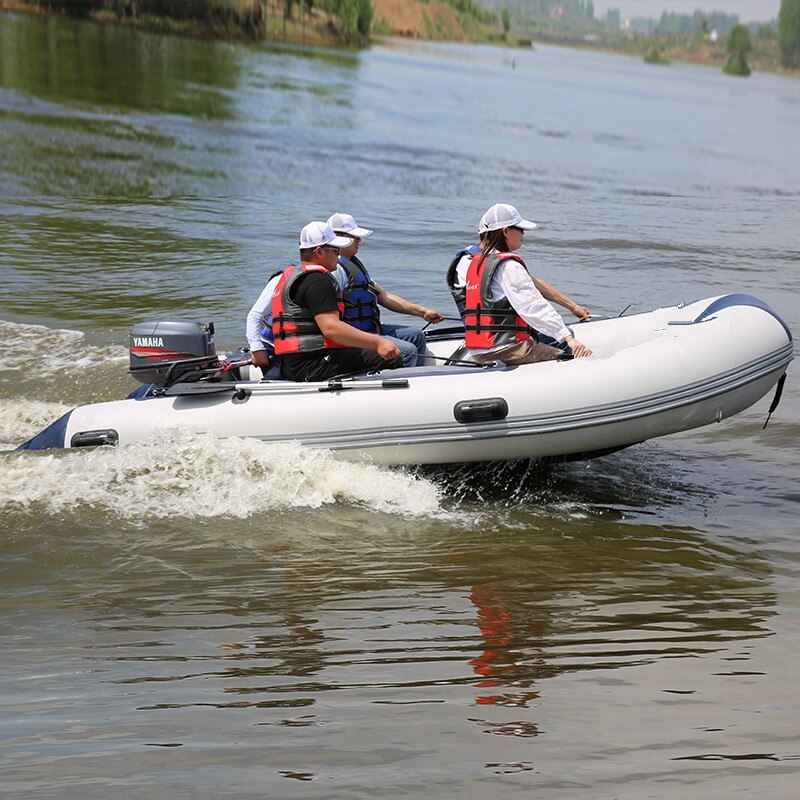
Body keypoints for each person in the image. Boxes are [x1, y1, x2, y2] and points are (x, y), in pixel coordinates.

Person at [446, 203, 592, 363]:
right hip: (507, 348)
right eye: (520, 229)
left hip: (477, 347)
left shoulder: (464, 263)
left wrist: (572, 307)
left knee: (550, 335)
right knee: (566, 349)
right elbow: (532, 306)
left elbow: (529, 284)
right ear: (506, 231)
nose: (524, 234)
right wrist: (567, 337)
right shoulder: (507, 266)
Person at [270, 221, 404, 382]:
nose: (339, 254)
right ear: (319, 251)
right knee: (389, 357)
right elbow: (331, 329)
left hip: (296, 363)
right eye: (335, 250)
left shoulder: (295, 276)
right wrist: (378, 342)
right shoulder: (318, 281)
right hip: (312, 365)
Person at [327, 213, 445, 367]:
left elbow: (384, 296)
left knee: (416, 336)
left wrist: (422, 312)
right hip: (356, 336)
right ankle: (401, 386)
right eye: (355, 237)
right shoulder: (336, 270)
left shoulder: (354, 265)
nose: (359, 240)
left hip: (371, 329)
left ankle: (419, 379)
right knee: (406, 350)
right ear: (338, 237)